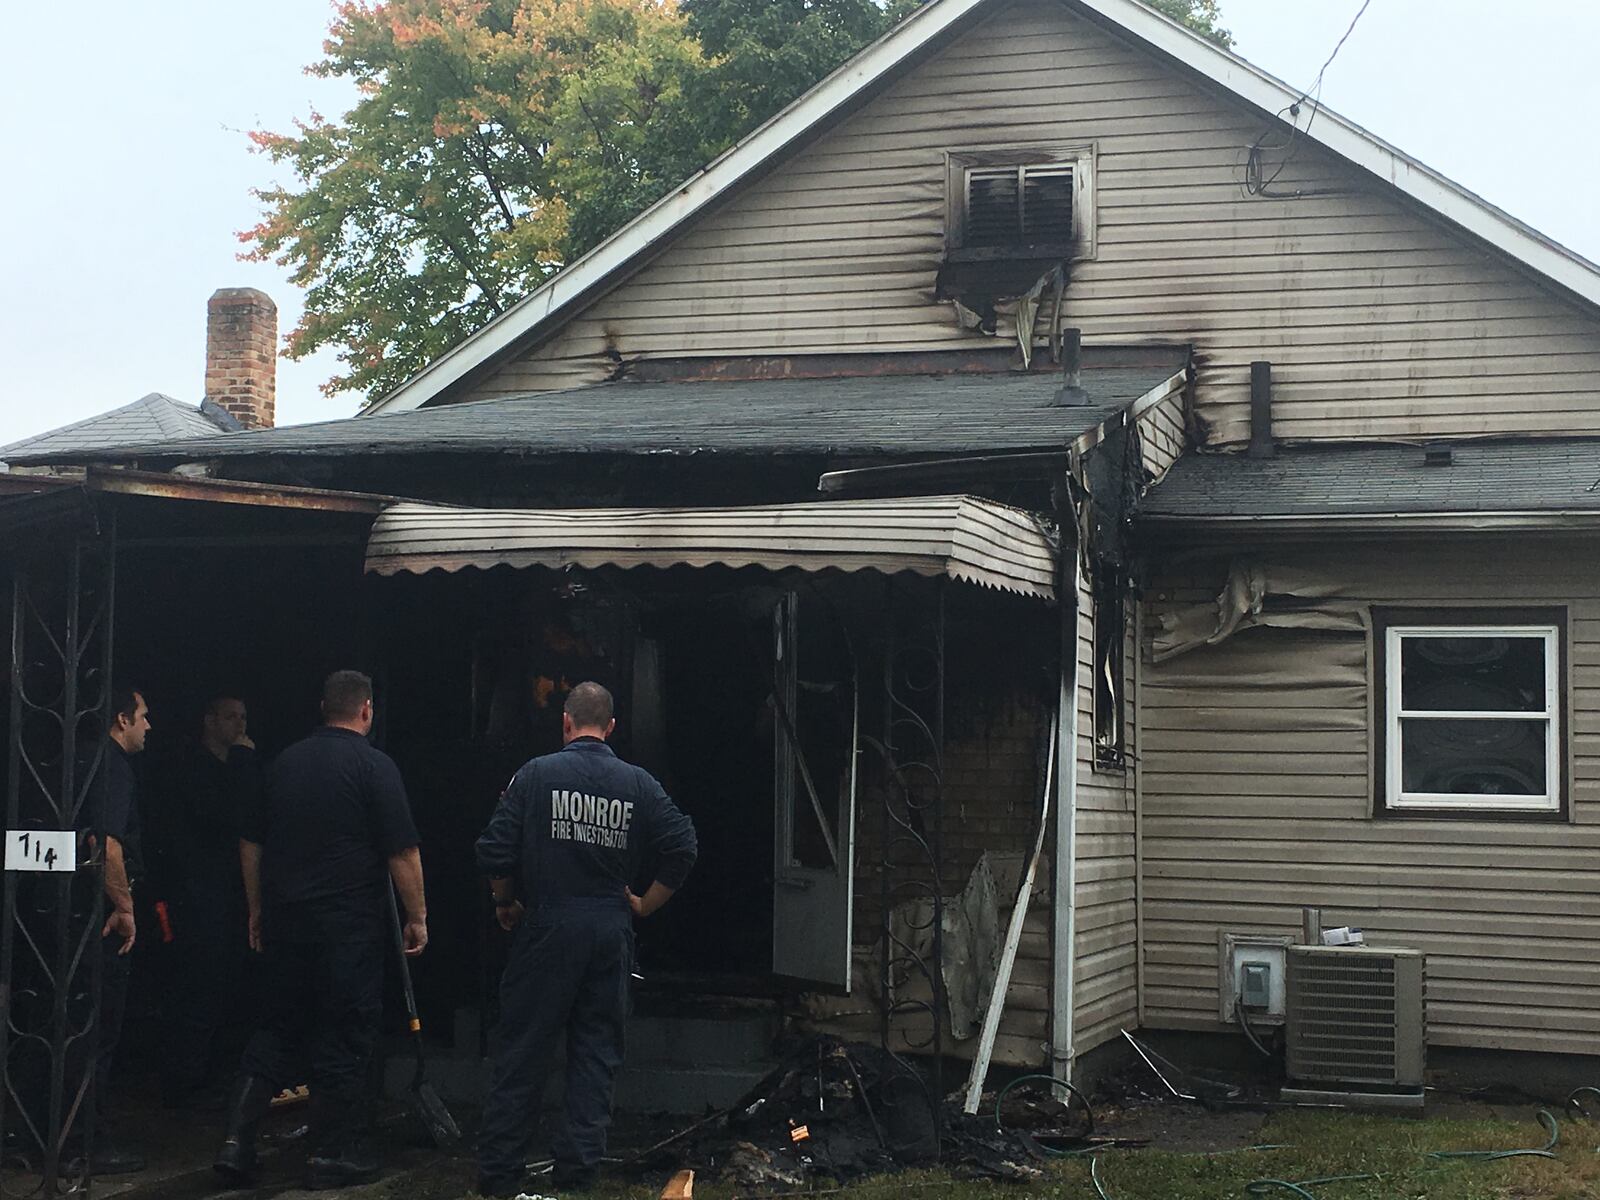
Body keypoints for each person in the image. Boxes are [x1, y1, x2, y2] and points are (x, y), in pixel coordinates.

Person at [474, 681, 698, 1198]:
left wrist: (505, 901)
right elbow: (683, 847)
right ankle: (577, 1175)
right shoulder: (638, 784)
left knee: (524, 1051)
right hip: (608, 930)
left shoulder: (535, 775)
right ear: (612, 727)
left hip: (548, 925)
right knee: (595, 1055)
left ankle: (500, 1173)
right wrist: (645, 903)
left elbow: (495, 850)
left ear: (566, 724)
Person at [212, 671, 427, 1191]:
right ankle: (333, 1152)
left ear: (322, 707)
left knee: (275, 1028)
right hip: (346, 928)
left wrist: (257, 909)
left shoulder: (283, 764)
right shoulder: (374, 767)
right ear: (366, 712)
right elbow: (402, 851)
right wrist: (417, 916)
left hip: (287, 921)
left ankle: (235, 1143)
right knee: (345, 1033)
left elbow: (250, 843)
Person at [156, 693, 261, 1109]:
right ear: (209, 721)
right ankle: (186, 1083)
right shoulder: (193, 768)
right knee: (199, 986)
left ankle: (213, 1075)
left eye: (244, 716)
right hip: (197, 896)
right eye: (231, 717)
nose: (240, 725)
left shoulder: (230, 766)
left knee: (226, 987)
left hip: (229, 893)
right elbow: (227, 815)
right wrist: (242, 763)